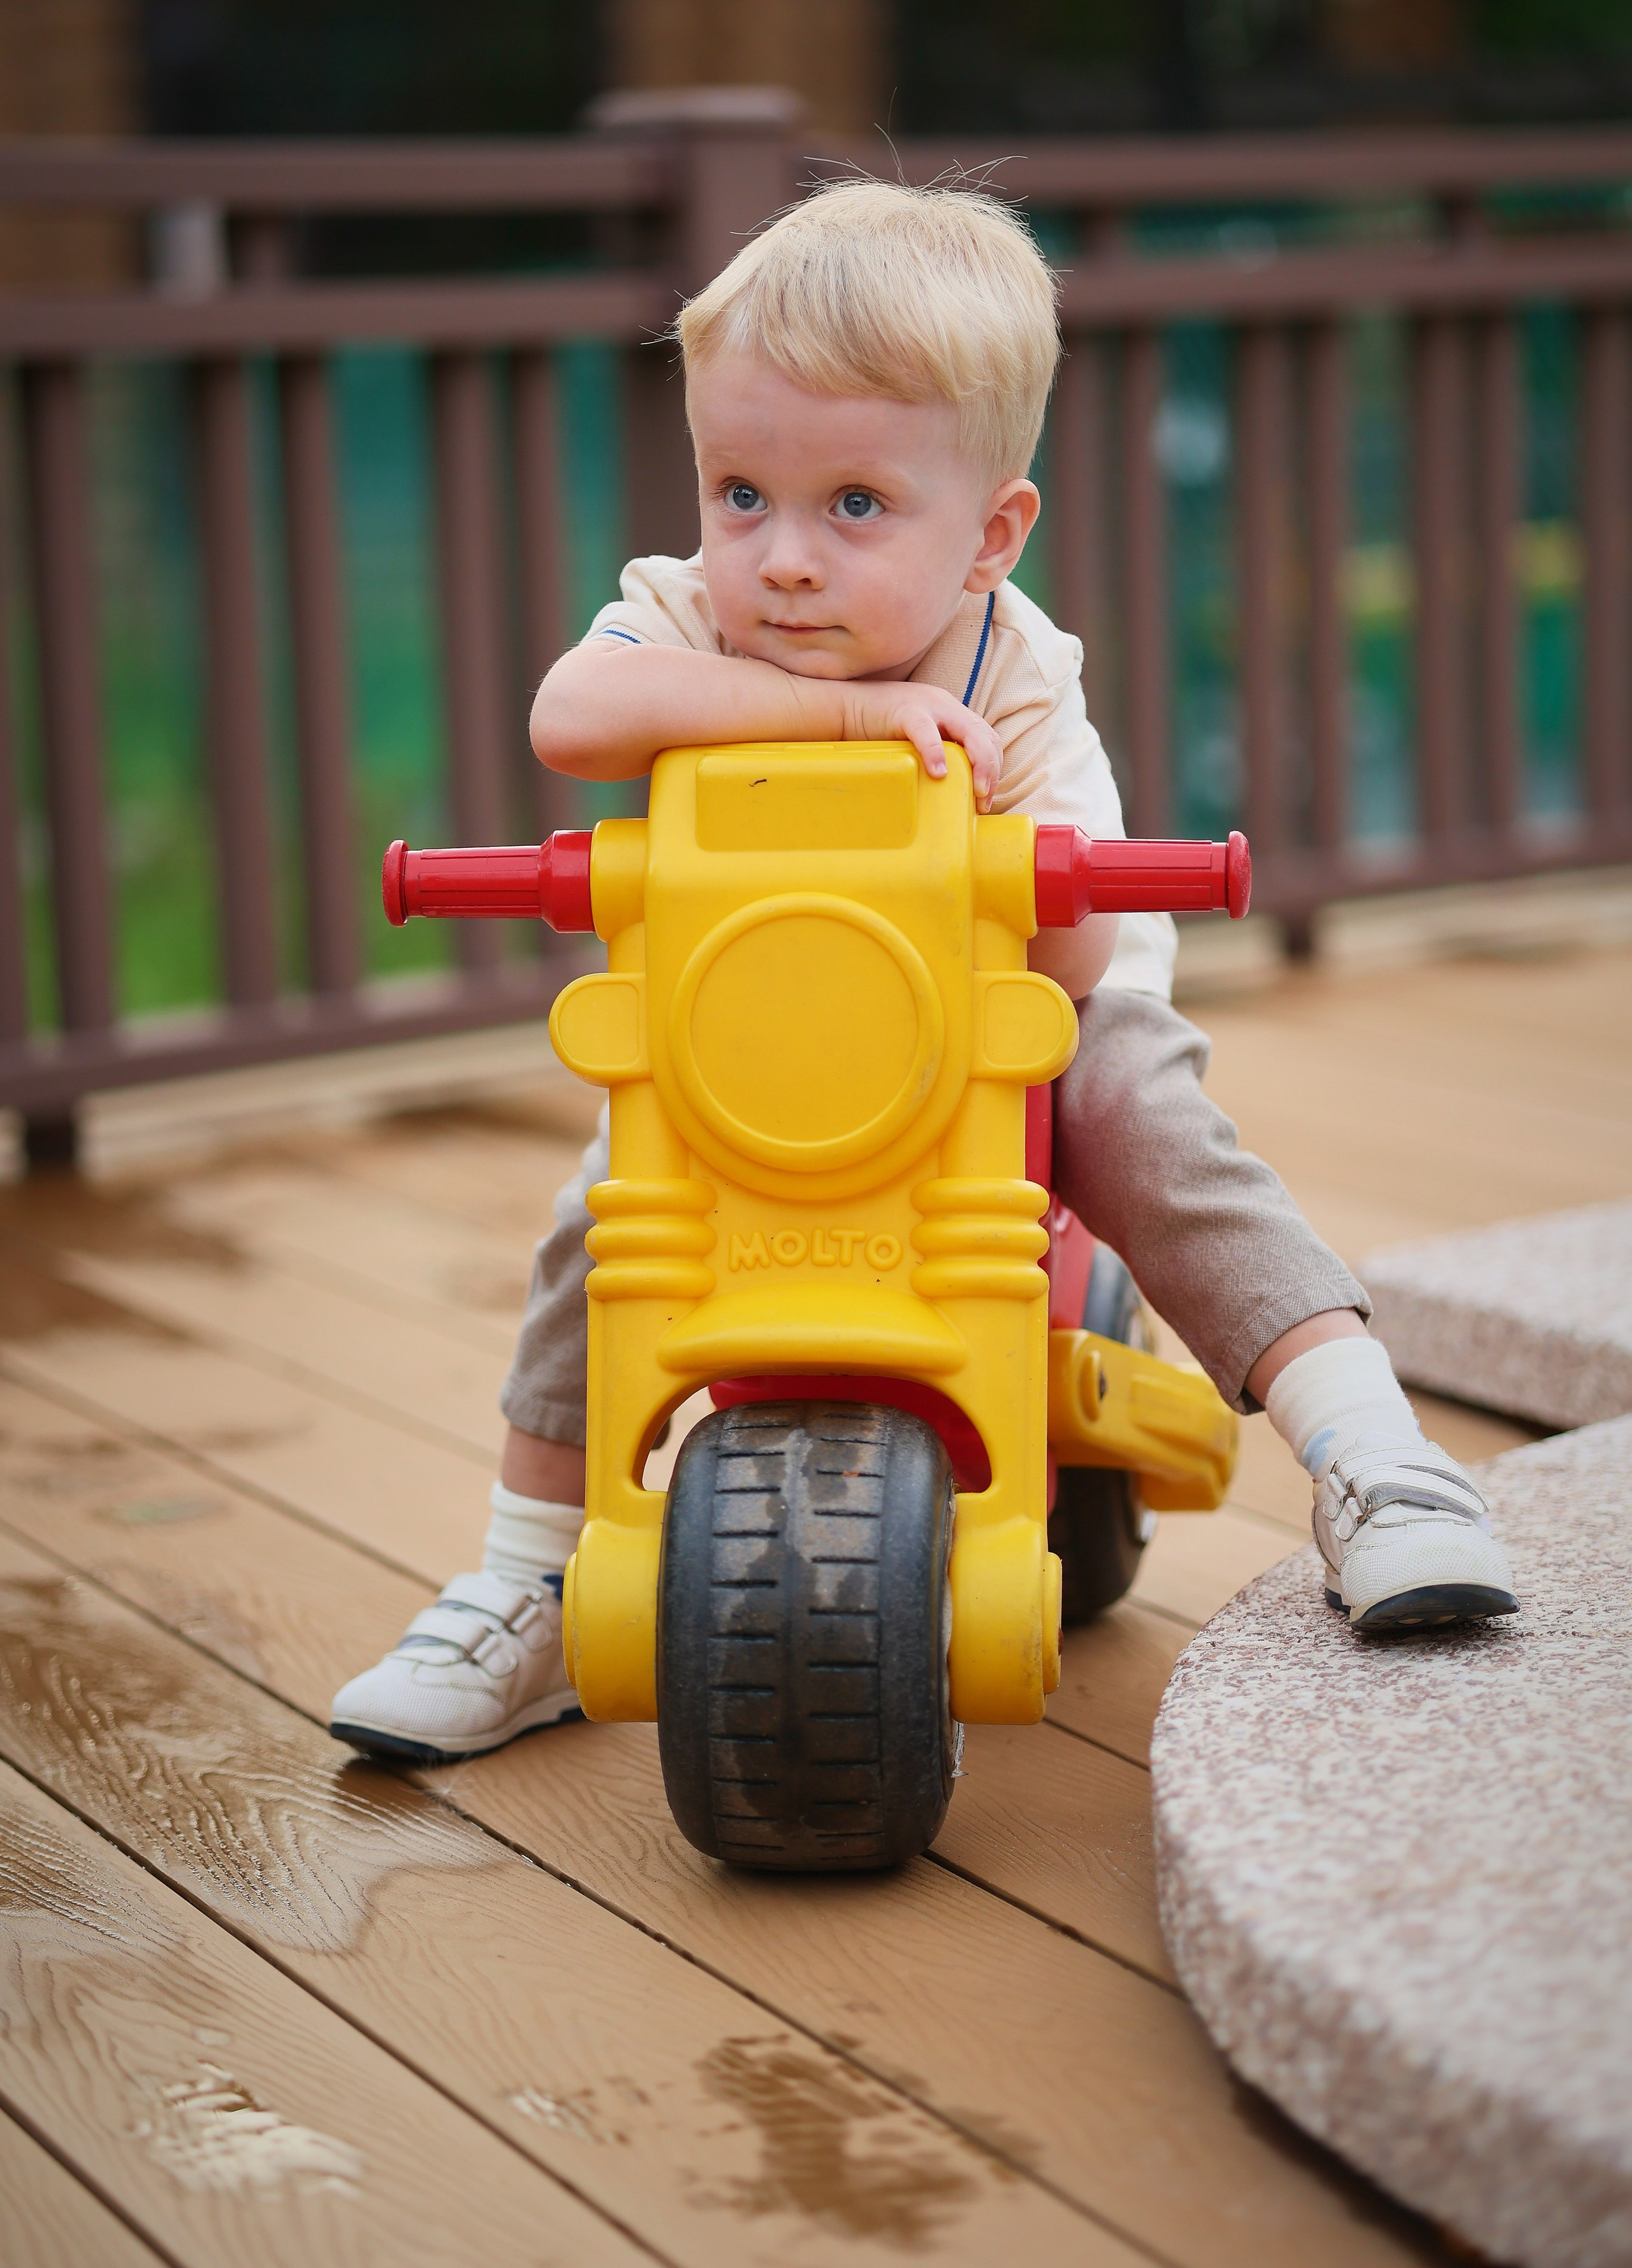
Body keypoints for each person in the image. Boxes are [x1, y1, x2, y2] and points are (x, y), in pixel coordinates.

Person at [331, 178, 1517, 1763]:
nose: (784, 562)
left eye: (856, 507)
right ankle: (527, 1581)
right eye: (739, 491)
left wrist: (982, 828)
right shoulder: (688, 618)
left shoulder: (1010, 675)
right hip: (744, 1037)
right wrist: (831, 720)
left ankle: (1372, 1455)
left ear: (991, 535)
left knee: (1137, 1116)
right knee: (607, 1222)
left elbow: (1072, 944)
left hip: (1006, 1022)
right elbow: (571, 717)